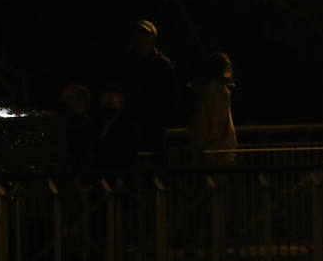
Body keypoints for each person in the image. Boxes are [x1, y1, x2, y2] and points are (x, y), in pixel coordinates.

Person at [102, 20, 176, 165]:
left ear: (152, 39)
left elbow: (169, 98)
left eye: (144, 36)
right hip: (127, 126)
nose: (140, 39)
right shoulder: (125, 62)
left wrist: (161, 120)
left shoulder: (163, 66)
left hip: (152, 127)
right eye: (138, 35)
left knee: (152, 167)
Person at [188, 52, 238, 166]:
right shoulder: (217, 91)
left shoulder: (206, 90)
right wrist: (212, 146)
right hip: (216, 149)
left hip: (208, 146)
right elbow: (217, 121)